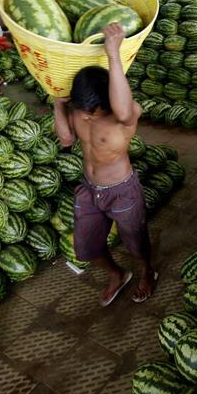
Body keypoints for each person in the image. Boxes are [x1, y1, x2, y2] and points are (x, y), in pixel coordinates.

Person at [53, 24, 156, 306]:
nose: (85, 116)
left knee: (135, 242)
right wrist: (58, 105)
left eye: (91, 111)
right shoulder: (78, 109)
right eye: (81, 109)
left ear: (106, 102)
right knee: (85, 247)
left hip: (122, 189)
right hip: (89, 188)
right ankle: (117, 274)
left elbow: (124, 108)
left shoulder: (125, 116)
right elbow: (64, 138)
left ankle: (146, 272)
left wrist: (113, 53)